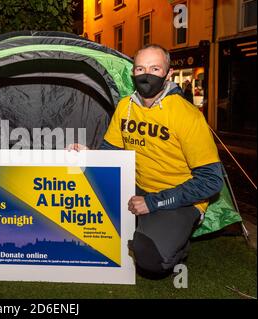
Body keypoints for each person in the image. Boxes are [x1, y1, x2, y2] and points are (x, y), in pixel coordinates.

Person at [69, 44, 223, 278]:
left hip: (179, 197)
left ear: (168, 74)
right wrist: (89, 154)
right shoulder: (125, 107)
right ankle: (146, 223)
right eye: (140, 68)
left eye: (155, 68)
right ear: (133, 73)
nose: (146, 75)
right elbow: (111, 151)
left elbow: (211, 182)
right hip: (138, 187)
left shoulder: (187, 115)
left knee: (149, 258)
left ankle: (177, 245)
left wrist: (153, 203)